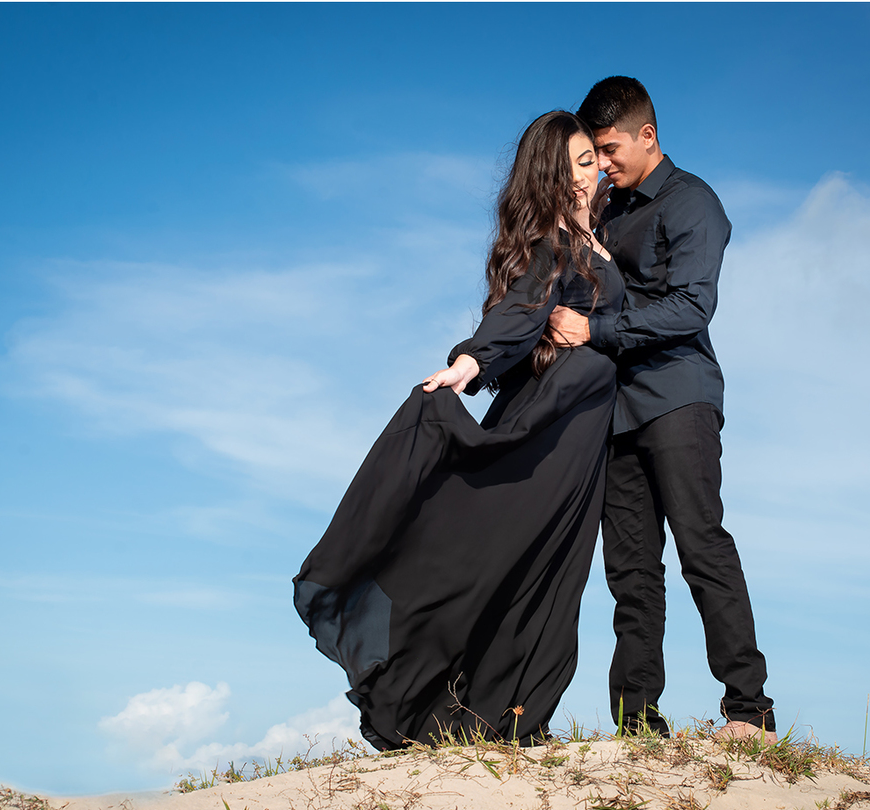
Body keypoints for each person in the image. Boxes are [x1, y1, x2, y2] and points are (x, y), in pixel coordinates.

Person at [294, 111, 626, 750]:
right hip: (554, 426)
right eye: (571, 168)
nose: (585, 177)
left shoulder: (604, 234)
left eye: (590, 161)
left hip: (586, 428)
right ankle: (451, 703)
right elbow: (521, 309)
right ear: (548, 180)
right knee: (498, 557)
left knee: (554, 569)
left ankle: (514, 718)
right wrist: (469, 363)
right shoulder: (555, 245)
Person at [549, 76, 777, 742]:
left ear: (647, 135)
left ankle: (749, 711)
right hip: (614, 411)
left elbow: (691, 306)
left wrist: (595, 331)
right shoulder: (607, 210)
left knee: (702, 546)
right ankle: (637, 723)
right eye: (593, 152)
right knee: (630, 571)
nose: (602, 164)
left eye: (610, 149)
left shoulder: (692, 202)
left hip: (679, 396)